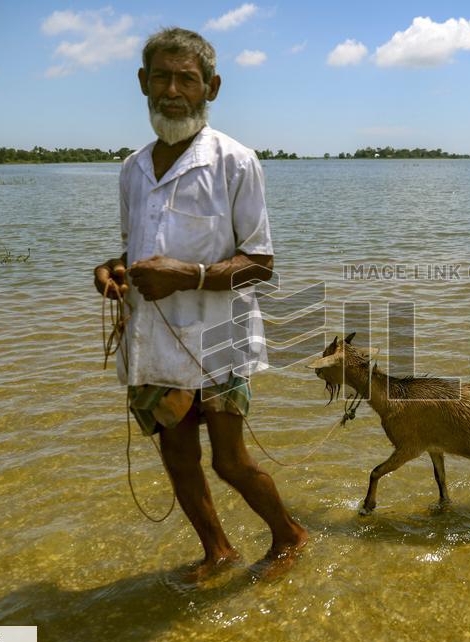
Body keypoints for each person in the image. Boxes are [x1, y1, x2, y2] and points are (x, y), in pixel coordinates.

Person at [92, 27, 307, 580]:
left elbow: (260, 264)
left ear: (211, 87)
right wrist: (113, 270)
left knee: (230, 461)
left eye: (187, 79)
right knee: (178, 458)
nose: (172, 90)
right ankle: (219, 551)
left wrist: (187, 275)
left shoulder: (236, 162)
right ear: (142, 83)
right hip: (154, 340)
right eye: (161, 77)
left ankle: (289, 536)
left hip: (220, 338)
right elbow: (136, 247)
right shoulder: (131, 168)